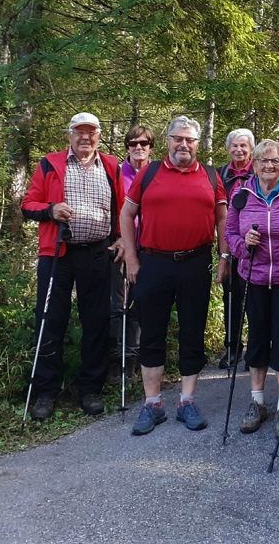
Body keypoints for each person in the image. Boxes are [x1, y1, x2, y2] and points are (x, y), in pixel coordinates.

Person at [121, 116, 229, 436]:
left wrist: (224, 256)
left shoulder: (211, 175)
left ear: (198, 144)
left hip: (195, 263)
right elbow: (127, 213)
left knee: (192, 331)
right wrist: (130, 257)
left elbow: (223, 219)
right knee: (151, 332)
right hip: (152, 262)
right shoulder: (150, 172)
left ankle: (187, 400)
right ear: (168, 140)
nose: (183, 144)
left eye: (190, 140)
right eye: (177, 138)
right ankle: (152, 404)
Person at [22, 112, 124, 420]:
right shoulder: (49, 164)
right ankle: (46, 391)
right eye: (79, 132)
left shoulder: (111, 166)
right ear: (70, 135)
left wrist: (119, 238)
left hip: (96, 253)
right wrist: (51, 210)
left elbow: (122, 207)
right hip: (58, 253)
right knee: (51, 320)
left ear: (99, 136)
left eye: (91, 132)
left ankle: (90, 389)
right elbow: (28, 204)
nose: (85, 137)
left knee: (96, 320)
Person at [225, 139, 279, 441]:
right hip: (254, 277)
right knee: (258, 338)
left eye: (275, 160)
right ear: (255, 164)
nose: (269, 166)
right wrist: (242, 244)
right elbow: (230, 234)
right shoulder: (241, 194)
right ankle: (257, 402)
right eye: (263, 161)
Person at [109, 125, 154, 380]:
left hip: (148, 248)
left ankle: (137, 358)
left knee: (140, 303)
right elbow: (112, 207)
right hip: (120, 247)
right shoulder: (117, 173)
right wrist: (118, 238)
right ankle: (118, 360)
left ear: (150, 147)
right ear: (127, 146)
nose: (139, 147)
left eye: (144, 143)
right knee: (117, 304)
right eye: (133, 143)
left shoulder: (156, 172)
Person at [217, 128, 255, 369]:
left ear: (251, 148)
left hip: (256, 243)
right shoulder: (221, 174)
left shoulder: (260, 169)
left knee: (255, 297)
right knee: (231, 296)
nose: (239, 150)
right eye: (235, 146)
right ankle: (232, 348)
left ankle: (257, 347)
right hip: (230, 244)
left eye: (243, 146)